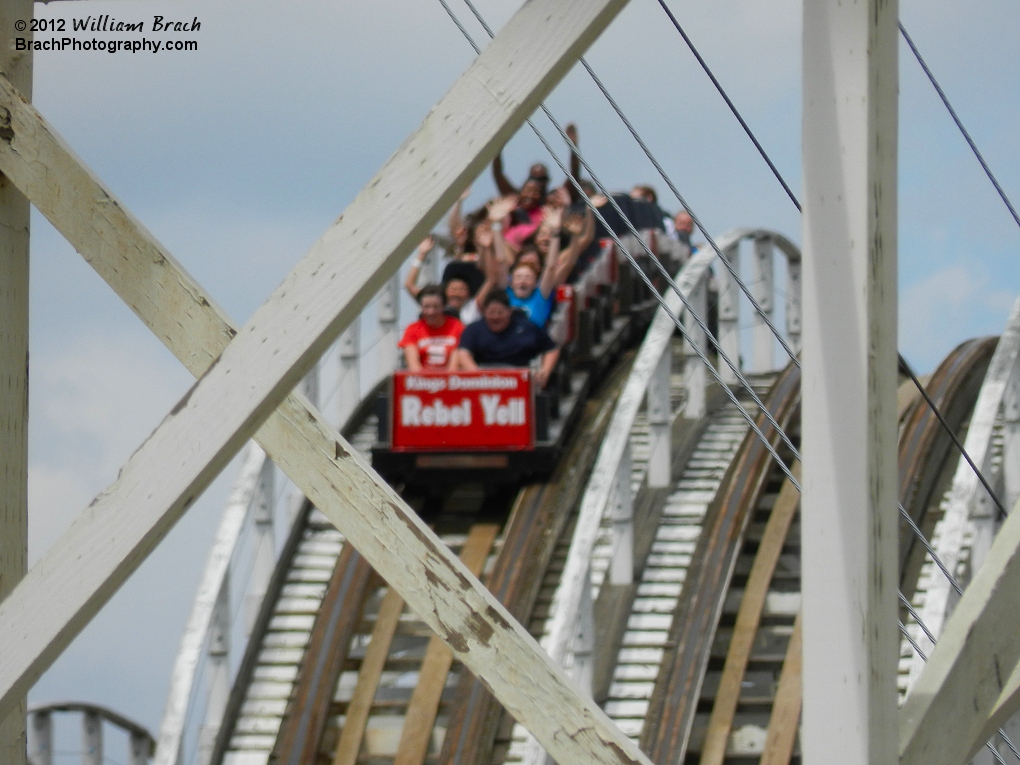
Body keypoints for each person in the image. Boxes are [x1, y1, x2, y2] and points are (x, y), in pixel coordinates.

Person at [498, 200, 595, 327]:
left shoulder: (542, 291)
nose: (522, 281)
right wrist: (496, 224)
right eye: (519, 276)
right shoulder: (508, 289)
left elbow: (553, 266)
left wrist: (557, 232)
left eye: (528, 276)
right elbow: (501, 260)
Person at [455, 291, 560, 389]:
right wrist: (478, 376)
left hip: (520, 380)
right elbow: (463, 353)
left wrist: (545, 372)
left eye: (500, 313)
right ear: (484, 312)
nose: (496, 317)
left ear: (509, 311)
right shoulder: (473, 330)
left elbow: (551, 349)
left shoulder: (526, 327)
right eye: (491, 312)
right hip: (483, 381)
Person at [398, 285, 463, 371]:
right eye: (427, 307)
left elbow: (456, 360)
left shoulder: (457, 327)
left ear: (443, 307)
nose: (431, 312)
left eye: (435, 307)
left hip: (451, 378)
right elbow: (413, 365)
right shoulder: (413, 329)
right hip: (422, 380)